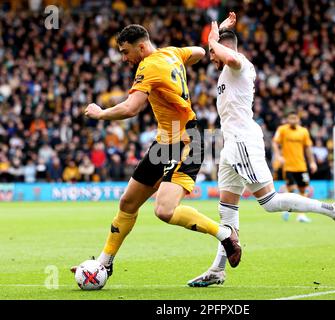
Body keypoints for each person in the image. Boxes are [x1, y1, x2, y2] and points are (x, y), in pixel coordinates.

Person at [187, 13, 335, 287]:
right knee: (227, 211)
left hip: (243, 141)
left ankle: (332, 209)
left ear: (225, 47)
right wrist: (216, 37)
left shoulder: (240, 64)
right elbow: (223, 57)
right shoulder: (226, 71)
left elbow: (228, 56)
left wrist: (213, 39)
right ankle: (217, 270)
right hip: (230, 144)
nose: (211, 57)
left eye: (212, 52)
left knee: (269, 202)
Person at [71, 24, 241, 280]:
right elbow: (198, 52)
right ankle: (105, 263)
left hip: (187, 140)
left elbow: (131, 108)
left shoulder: (148, 66)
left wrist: (101, 113)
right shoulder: (172, 53)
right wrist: (186, 62)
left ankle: (224, 234)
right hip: (165, 140)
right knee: (128, 203)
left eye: (126, 52)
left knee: (164, 210)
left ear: (141, 47)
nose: (124, 58)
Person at [272, 112, 317, 223]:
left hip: (301, 166)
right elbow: (274, 143)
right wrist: (278, 156)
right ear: (287, 119)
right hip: (288, 166)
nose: (293, 120)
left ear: (298, 119)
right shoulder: (282, 130)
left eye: (295, 118)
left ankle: (300, 215)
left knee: (303, 190)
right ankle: (288, 209)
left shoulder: (303, 131)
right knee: (292, 190)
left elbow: (308, 148)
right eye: (290, 118)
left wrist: (312, 162)